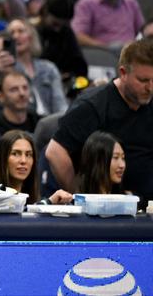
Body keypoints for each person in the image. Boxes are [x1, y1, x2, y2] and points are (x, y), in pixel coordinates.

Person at [45, 38, 153, 202]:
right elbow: (55, 152)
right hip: (105, 207)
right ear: (123, 73)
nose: (150, 88)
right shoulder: (93, 105)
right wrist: (80, 198)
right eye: (143, 80)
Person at [0, 130, 72, 205]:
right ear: (2, 158)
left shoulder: (35, 197)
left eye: (28, 155)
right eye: (15, 153)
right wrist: (49, 202)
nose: (23, 161)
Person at [0, 70, 39, 137]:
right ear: (0, 96)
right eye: (14, 89)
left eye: (25, 88)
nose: (22, 93)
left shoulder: (39, 123)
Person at [77, 131, 126, 195]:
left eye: (123, 158)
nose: (122, 165)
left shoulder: (127, 200)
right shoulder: (77, 202)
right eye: (115, 157)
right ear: (97, 161)